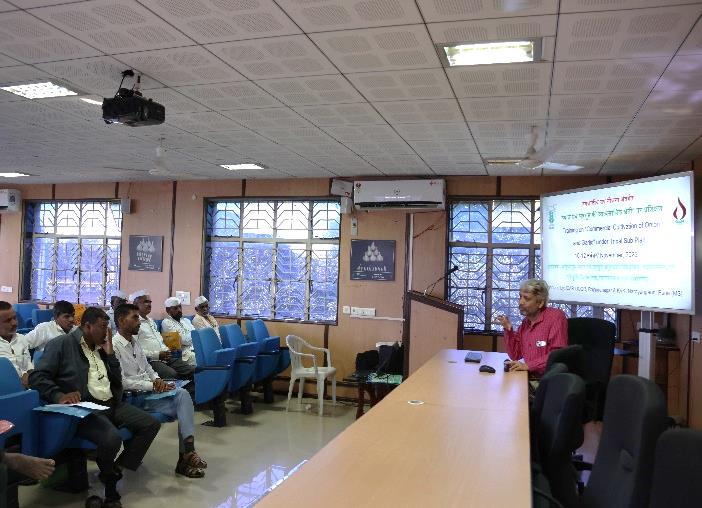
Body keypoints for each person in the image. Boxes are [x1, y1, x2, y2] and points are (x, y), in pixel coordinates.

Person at [29, 307, 161, 508]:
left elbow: (117, 381)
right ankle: (110, 487)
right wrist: (59, 395)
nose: (107, 332)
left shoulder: (102, 347)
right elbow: (37, 377)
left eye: (108, 327)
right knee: (112, 438)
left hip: (111, 403)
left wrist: (110, 355)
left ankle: (114, 469)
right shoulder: (62, 344)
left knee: (151, 424)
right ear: (87, 326)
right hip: (86, 409)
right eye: (102, 327)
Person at [112, 304, 207, 478]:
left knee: (183, 395)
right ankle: (185, 458)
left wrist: (157, 379)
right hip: (132, 399)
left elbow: (148, 368)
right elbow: (122, 382)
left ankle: (188, 451)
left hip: (148, 394)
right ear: (121, 320)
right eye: (134, 317)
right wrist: (153, 385)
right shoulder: (114, 346)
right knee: (182, 404)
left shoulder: (135, 343)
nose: (139, 322)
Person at [493, 279, 568, 377]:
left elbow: (557, 355)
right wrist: (508, 330)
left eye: (526, 298)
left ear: (540, 303)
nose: (521, 302)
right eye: (520, 297)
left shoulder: (556, 317)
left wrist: (529, 365)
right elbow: (515, 355)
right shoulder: (525, 323)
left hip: (548, 379)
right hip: (528, 377)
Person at [130, 290, 194, 381]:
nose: (149, 304)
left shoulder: (151, 321)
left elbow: (160, 341)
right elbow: (135, 350)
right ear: (135, 304)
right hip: (150, 360)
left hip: (165, 356)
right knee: (172, 374)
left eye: (150, 302)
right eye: (145, 302)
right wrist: (157, 355)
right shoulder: (134, 323)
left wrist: (167, 350)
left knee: (191, 370)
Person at [0, 302, 32, 387]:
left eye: (14, 318)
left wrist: (28, 374)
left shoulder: (21, 338)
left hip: (27, 387)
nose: (14, 323)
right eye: (8, 321)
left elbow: (27, 363)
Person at [160, 297, 196, 365]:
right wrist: (193, 337)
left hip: (195, 348)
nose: (179, 310)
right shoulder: (166, 323)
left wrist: (192, 337)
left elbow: (196, 334)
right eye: (175, 308)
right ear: (168, 310)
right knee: (198, 357)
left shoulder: (186, 320)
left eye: (180, 307)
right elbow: (182, 340)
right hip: (184, 353)